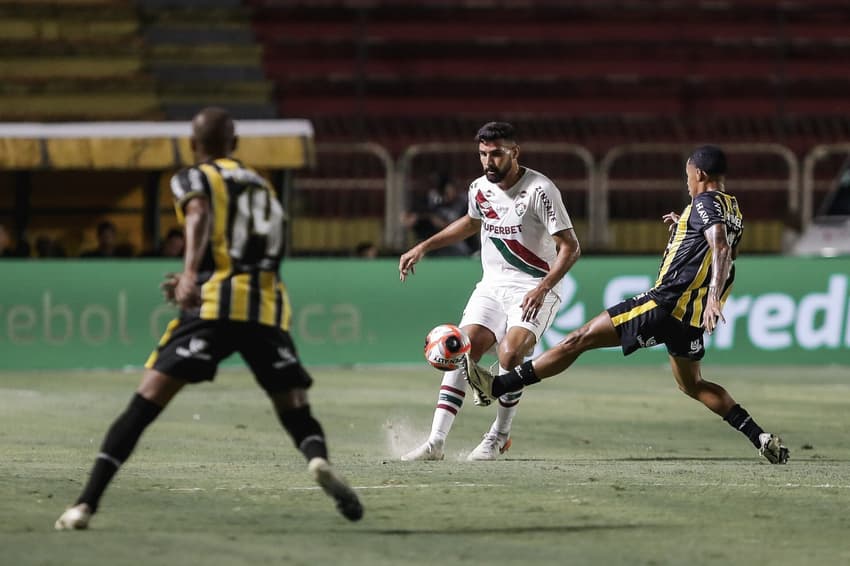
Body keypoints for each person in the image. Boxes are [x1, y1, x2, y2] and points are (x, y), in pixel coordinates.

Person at [55, 107, 363, 530]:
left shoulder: (193, 176)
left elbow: (198, 214)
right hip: (267, 307)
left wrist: (188, 274)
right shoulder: (263, 185)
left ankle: (84, 505)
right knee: (293, 406)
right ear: (235, 144)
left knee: (145, 403)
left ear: (194, 145)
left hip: (214, 305)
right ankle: (318, 459)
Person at [463, 145, 790, 465]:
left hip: (665, 303)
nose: (686, 182)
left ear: (700, 173)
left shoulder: (705, 202)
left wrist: (714, 298)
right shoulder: (732, 208)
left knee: (578, 340)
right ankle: (759, 437)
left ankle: (498, 385)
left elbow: (718, 248)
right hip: (688, 318)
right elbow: (727, 253)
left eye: (687, 175)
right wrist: (685, 231)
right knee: (692, 384)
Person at [398, 122, 581, 461]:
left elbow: (570, 247)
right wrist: (423, 247)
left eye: (496, 154)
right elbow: (470, 222)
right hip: (492, 286)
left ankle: (498, 436)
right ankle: (435, 443)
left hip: (533, 287)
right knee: (461, 350)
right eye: (483, 154)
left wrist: (543, 288)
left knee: (510, 355)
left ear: (515, 152)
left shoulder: (540, 189)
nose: (488, 161)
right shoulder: (479, 188)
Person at [401, 173, 474, 256]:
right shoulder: (430, 202)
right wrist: (429, 218)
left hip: (457, 243)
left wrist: (442, 223)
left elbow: (468, 225)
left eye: (451, 189)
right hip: (432, 245)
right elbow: (407, 219)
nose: (449, 194)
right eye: (444, 191)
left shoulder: (463, 203)